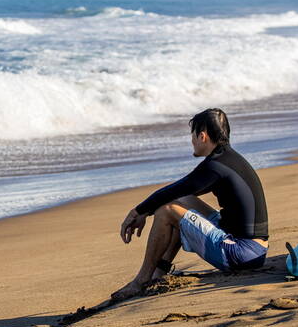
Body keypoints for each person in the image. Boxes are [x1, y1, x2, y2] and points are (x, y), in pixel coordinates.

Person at [111, 108, 268, 302]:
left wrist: (138, 211)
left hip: (241, 254)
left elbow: (176, 188)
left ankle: (141, 280)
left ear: (202, 136)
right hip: (252, 249)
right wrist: (145, 211)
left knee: (168, 209)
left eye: (192, 136)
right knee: (180, 203)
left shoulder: (215, 167)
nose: (191, 141)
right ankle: (158, 273)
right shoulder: (228, 158)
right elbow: (180, 193)